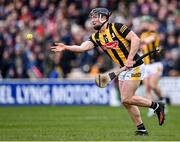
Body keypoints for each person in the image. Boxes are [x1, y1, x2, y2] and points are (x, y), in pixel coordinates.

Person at [51, 8, 165, 136]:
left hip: (135, 65)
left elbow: (136, 40)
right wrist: (66, 47)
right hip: (123, 68)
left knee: (127, 97)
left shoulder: (117, 27)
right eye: (92, 18)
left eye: (95, 17)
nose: (92, 20)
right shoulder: (97, 37)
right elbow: (82, 47)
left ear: (104, 18)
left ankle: (156, 106)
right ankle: (141, 129)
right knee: (126, 101)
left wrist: (129, 59)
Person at [140, 16, 166, 117]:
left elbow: (147, 41)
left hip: (156, 64)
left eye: (144, 23)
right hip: (146, 65)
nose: (142, 24)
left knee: (153, 85)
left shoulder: (154, 34)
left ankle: (162, 100)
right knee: (147, 88)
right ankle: (153, 107)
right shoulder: (142, 34)